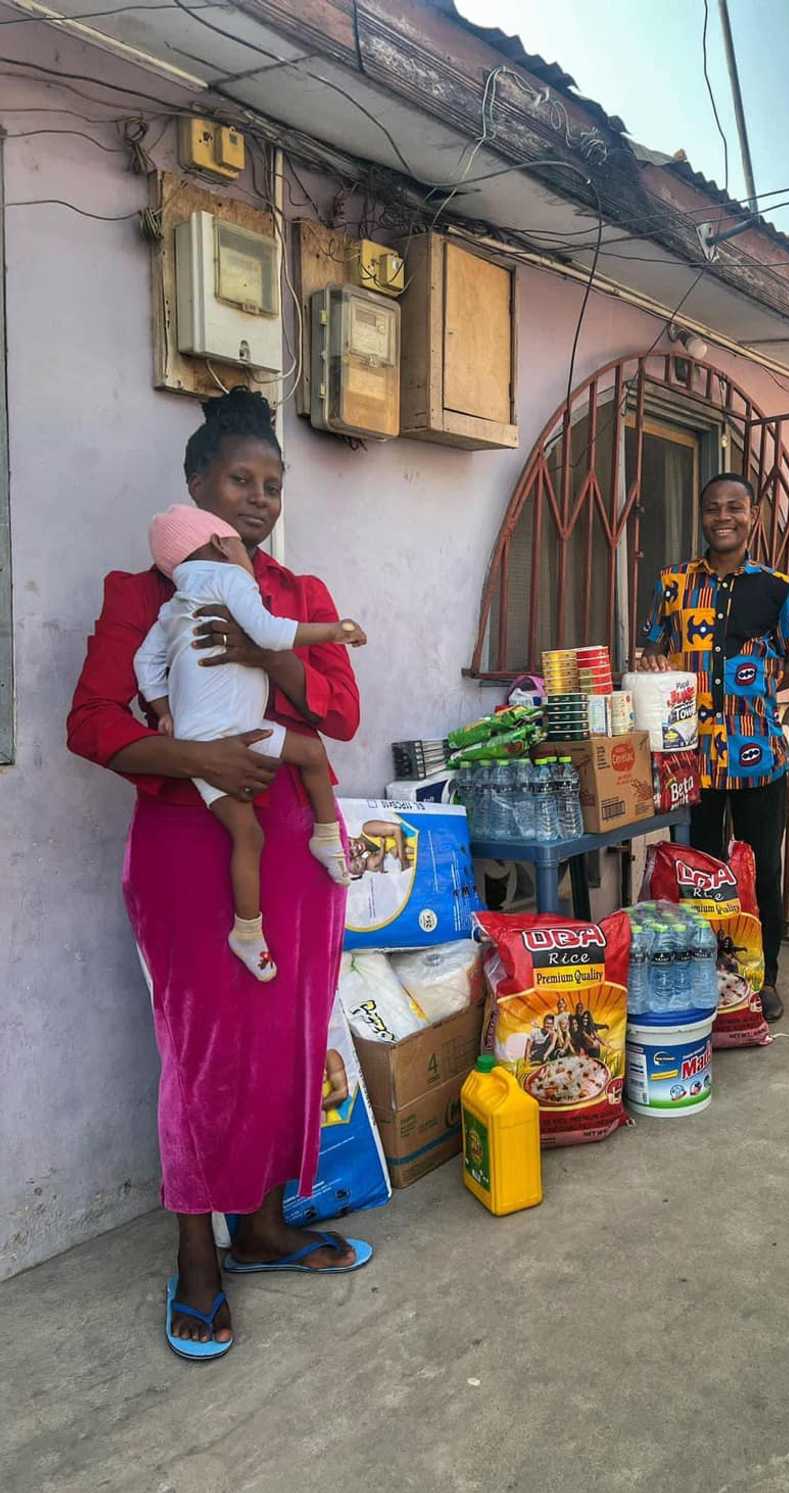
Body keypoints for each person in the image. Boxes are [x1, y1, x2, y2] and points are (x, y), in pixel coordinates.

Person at [67, 387, 372, 1362]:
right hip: (188, 855)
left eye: (271, 484)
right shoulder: (140, 592)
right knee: (202, 1052)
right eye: (238, 479)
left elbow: (337, 709)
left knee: (287, 1035)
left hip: (294, 859)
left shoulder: (300, 592)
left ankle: (269, 1224)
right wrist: (202, 760)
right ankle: (199, 1253)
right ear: (196, 484)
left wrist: (260, 653)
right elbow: (96, 721)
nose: (255, 498)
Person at [136, 505, 368, 981]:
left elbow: (145, 664)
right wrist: (337, 631)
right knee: (311, 753)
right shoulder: (229, 581)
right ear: (223, 544)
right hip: (244, 727)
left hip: (198, 740)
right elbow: (267, 633)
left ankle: (249, 932)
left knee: (247, 835)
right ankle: (325, 838)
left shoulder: (173, 605)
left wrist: (163, 713)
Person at [637, 473, 789, 1021]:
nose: (723, 516)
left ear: (752, 517)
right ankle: (704, 978)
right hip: (691, 761)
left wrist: (755, 686)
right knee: (698, 874)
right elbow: (650, 652)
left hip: (758, 752)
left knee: (760, 873)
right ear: (702, 516)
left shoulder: (779, 587)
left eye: (734, 507)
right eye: (712, 507)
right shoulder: (672, 583)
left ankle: (766, 978)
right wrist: (653, 663)